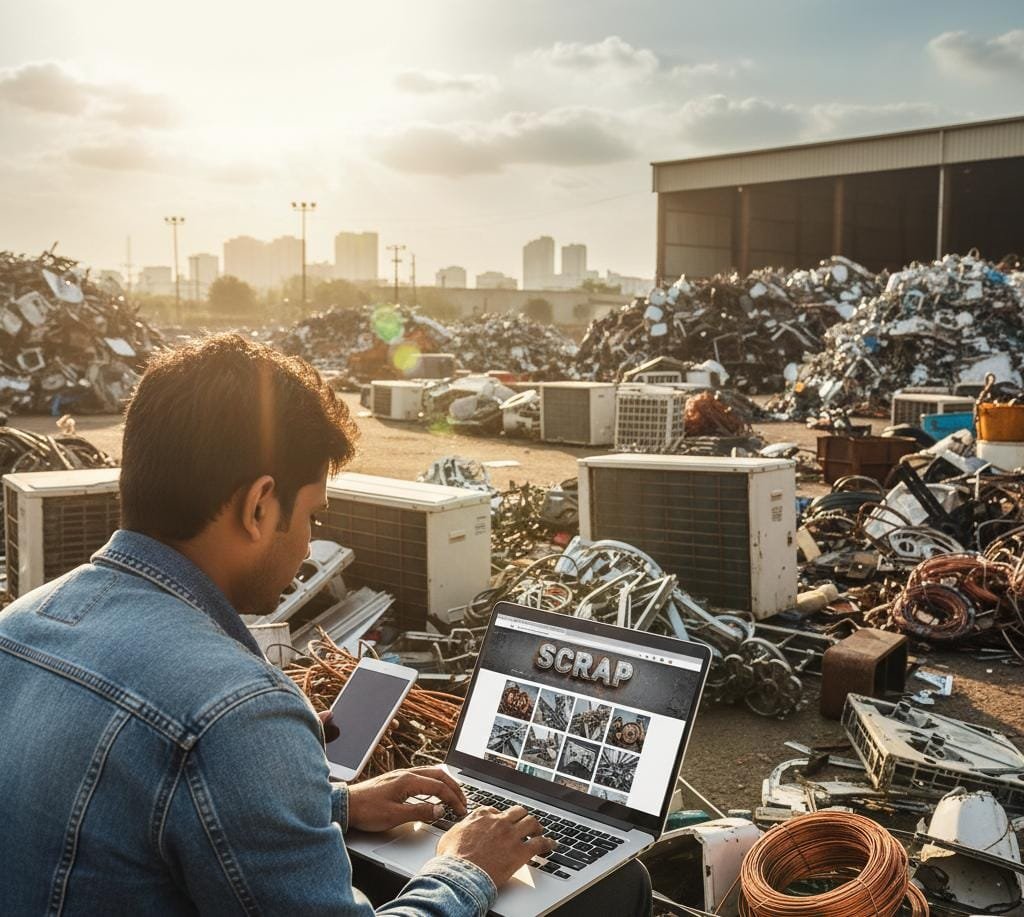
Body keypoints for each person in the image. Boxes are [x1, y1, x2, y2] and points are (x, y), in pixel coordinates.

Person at [0, 334, 651, 916]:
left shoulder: (17, 626)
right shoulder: (237, 712)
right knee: (617, 889)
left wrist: (337, 804)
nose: (311, 544)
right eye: (313, 514)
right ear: (259, 506)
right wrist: (466, 869)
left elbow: (146, 816)